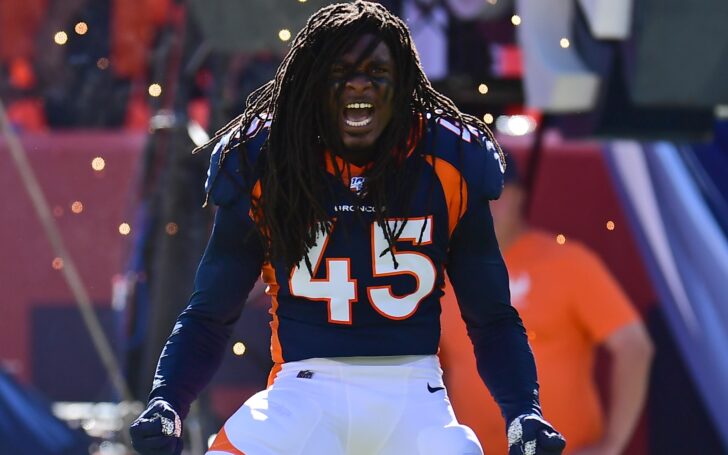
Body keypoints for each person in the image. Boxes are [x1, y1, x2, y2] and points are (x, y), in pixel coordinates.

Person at [129, 2, 566, 454]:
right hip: (303, 392)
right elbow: (210, 314)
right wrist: (168, 402)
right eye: (341, 71)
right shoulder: (267, 161)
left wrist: (522, 411)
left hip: (415, 396)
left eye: (376, 71)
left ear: (404, 86)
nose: (359, 83)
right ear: (312, 84)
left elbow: (491, 318)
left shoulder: (448, 160)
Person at [440, 155, 654, 455]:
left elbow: (634, 346)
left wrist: (611, 445)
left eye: (494, 195)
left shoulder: (568, 262)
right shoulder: (440, 270)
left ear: (519, 196)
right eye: (469, 197)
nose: (484, 208)